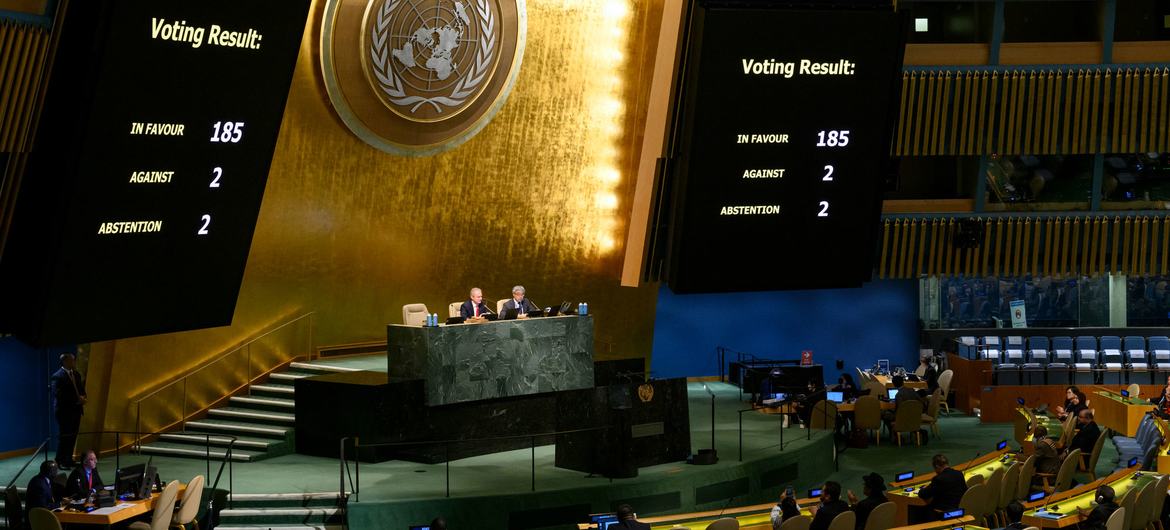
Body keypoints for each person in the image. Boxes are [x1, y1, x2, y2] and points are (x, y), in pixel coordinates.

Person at [51, 352, 87, 469]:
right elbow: (58, 394)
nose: (74, 362)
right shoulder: (57, 376)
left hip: (76, 410)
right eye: (72, 360)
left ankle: (68, 459)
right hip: (64, 412)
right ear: (65, 361)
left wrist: (83, 397)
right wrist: (76, 399)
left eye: (74, 360)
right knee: (65, 437)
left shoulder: (76, 374)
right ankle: (59, 461)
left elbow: (81, 389)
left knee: (72, 436)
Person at [914, 454, 967, 523]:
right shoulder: (959, 474)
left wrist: (922, 489)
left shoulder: (939, 479)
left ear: (937, 466)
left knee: (921, 510)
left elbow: (924, 494)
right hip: (960, 508)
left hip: (944, 511)